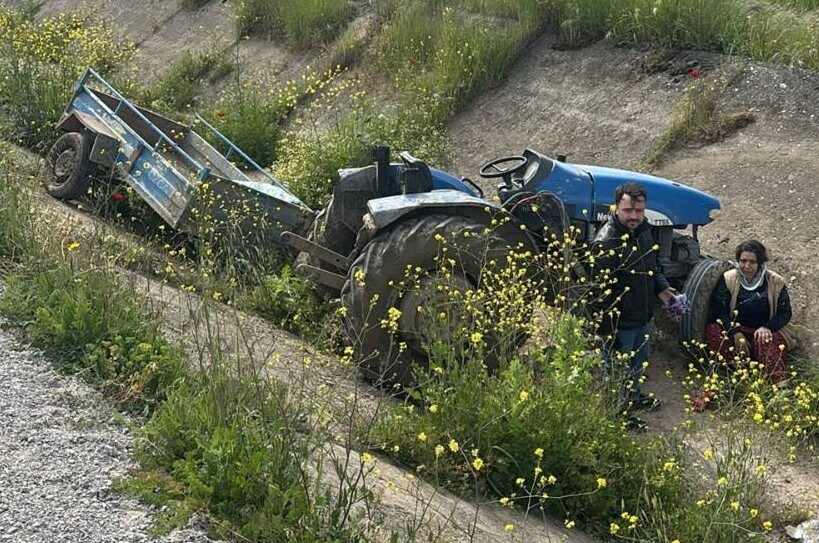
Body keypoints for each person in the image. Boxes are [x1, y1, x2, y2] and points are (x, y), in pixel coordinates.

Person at [592, 182, 677, 429]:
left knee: (639, 362)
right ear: (617, 207)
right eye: (628, 210)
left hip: (642, 314)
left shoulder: (643, 232)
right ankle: (616, 414)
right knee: (616, 369)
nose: (634, 216)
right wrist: (609, 331)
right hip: (621, 321)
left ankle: (634, 396)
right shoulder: (607, 242)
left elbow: (652, 265)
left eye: (639, 211)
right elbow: (600, 293)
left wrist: (661, 286)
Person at [706, 239, 797, 385]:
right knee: (713, 330)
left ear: (760, 263)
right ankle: (731, 372)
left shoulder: (775, 281)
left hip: (764, 330)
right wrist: (734, 332)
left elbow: (785, 313)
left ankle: (778, 382)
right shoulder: (729, 279)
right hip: (738, 331)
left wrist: (767, 327)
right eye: (743, 261)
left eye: (752, 262)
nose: (746, 266)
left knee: (764, 339)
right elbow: (719, 311)